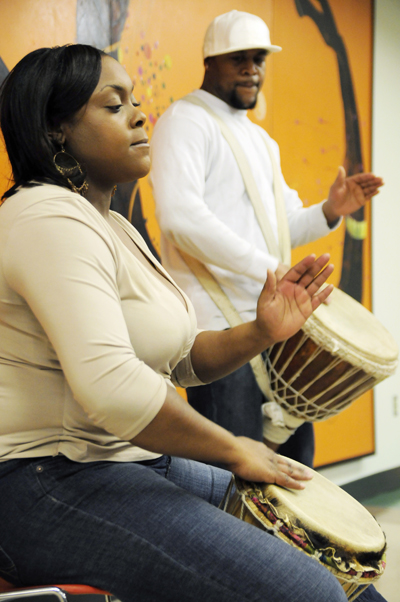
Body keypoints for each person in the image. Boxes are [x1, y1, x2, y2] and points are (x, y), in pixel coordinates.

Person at [0, 44, 384, 602]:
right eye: (114, 105)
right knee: (309, 592)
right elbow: (112, 388)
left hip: (129, 462)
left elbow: (180, 359)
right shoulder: (43, 215)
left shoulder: (114, 226)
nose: (139, 114)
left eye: (135, 99)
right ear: (56, 130)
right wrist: (233, 448)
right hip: (45, 483)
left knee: (334, 565)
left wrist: (261, 332)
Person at [150, 10, 384, 467]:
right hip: (221, 332)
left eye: (259, 58)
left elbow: (284, 229)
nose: (251, 68)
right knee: (236, 481)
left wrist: (330, 210)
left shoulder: (261, 141)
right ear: (209, 61)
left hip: (273, 324)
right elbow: (181, 218)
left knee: (295, 474)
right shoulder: (185, 121)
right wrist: (271, 270)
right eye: (238, 58)